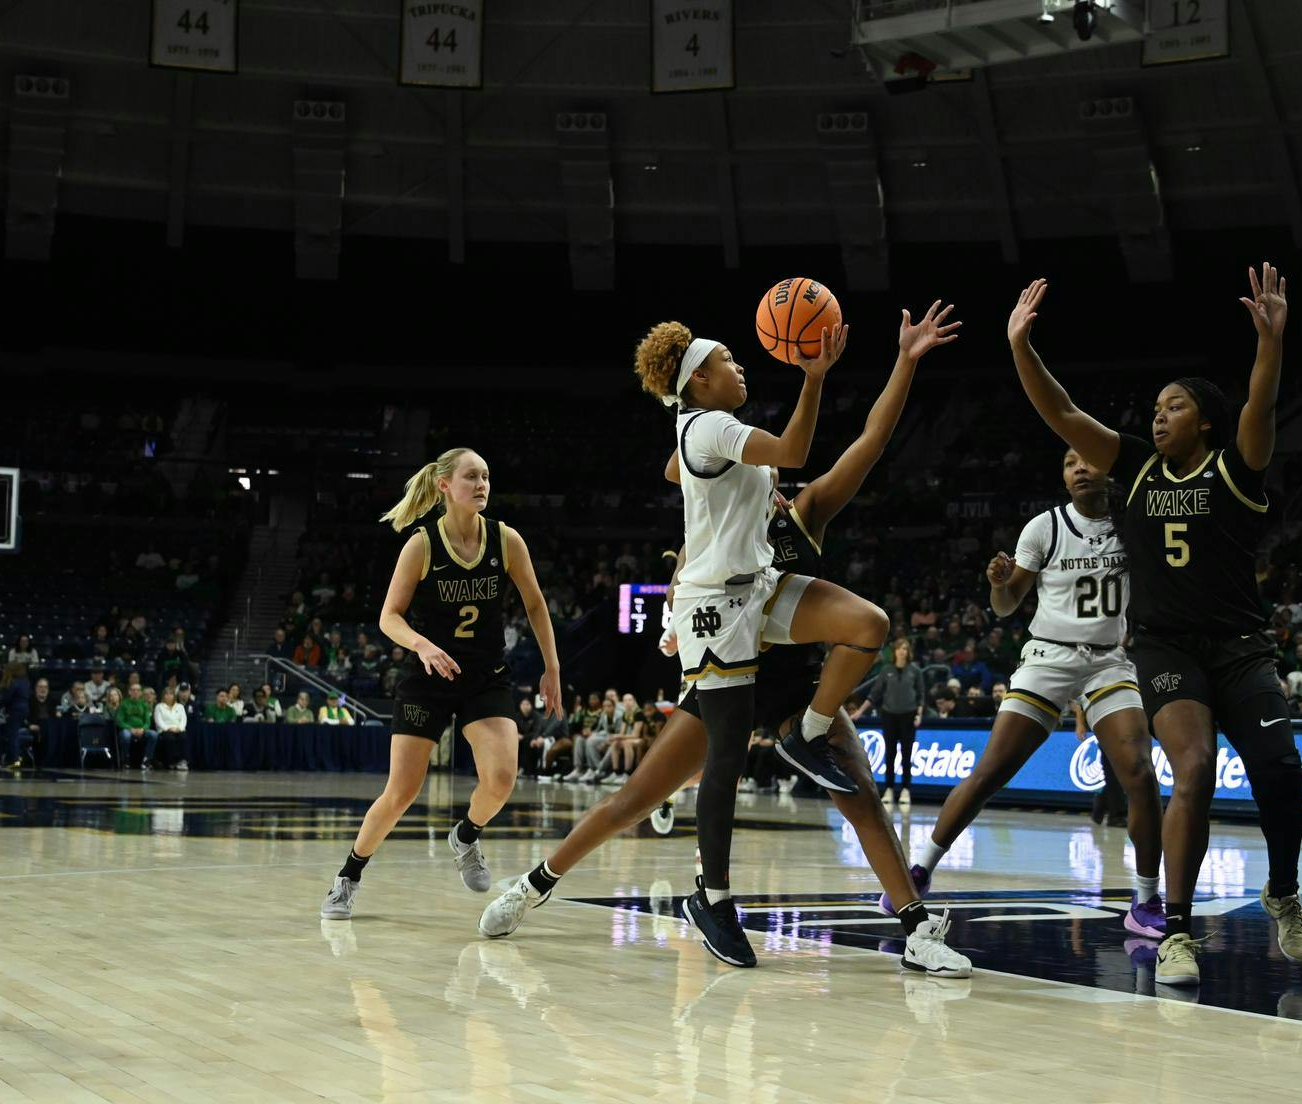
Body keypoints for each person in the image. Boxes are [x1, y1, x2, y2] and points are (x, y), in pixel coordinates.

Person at [480, 300, 969, 979]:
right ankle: (535, 882)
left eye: (766, 482)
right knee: (634, 798)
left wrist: (904, 362)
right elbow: (685, 467)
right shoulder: (718, 502)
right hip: (720, 670)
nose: (764, 486)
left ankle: (915, 925)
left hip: (792, 687)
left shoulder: (801, 517)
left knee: (860, 793)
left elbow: (870, 442)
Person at [1007, 265, 1302, 987]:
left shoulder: (1238, 467)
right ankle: (1177, 930)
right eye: (1154, 407)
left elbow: (1262, 408)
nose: (1158, 416)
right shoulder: (1137, 466)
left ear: (1204, 419)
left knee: (1282, 773)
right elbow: (1063, 413)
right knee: (1195, 767)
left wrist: (1270, 342)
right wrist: (1022, 347)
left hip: (1240, 644)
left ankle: (1284, 891)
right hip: (1166, 645)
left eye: (1173, 407)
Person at [908, 447, 1166, 938]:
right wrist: (999, 585)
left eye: (1088, 460)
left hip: (1108, 659)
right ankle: (919, 870)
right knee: (991, 771)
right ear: (1063, 476)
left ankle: (1147, 898)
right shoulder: (1044, 528)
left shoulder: (1132, 524)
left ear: (1109, 469)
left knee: (1141, 773)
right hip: (1049, 656)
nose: (1080, 468)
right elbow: (1006, 607)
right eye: (1069, 462)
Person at [323, 448, 563, 919]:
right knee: (402, 792)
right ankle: (347, 877)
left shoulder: (506, 540)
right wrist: (422, 645)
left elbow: (536, 605)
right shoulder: (422, 544)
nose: (482, 484)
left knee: (500, 779)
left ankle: (467, 836)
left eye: (486, 476)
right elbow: (388, 617)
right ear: (445, 486)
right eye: (471, 476)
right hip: (429, 678)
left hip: (485, 677)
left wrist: (552, 667)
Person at [854, 640, 924, 805]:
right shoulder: (886, 670)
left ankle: (906, 789)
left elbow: (921, 694)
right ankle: (889, 789)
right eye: (899, 648)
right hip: (889, 715)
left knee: (907, 754)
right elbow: (875, 694)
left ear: (909, 652)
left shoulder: (915, 671)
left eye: (905, 649)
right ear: (894, 652)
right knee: (890, 754)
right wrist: (859, 712)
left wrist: (919, 714)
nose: (902, 652)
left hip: (909, 715)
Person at [117, 684, 154, 767]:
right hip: (128, 730)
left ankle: (146, 759)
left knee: (153, 734)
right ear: (129, 692)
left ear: (141, 693)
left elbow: (147, 722)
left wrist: (143, 729)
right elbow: (119, 721)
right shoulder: (124, 704)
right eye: (133, 690)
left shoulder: (144, 704)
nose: (135, 692)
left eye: (138, 690)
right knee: (125, 735)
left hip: (141, 730)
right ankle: (125, 759)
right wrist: (131, 729)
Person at [152, 685, 189, 770]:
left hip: (178, 729)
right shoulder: (159, 707)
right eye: (166, 694)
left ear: (174, 696)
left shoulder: (180, 707)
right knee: (169, 738)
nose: (169, 696)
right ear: (163, 696)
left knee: (183, 737)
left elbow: (183, 720)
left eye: (171, 694)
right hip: (165, 730)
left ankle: (182, 761)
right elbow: (158, 720)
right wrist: (168, 728)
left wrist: (179, 728)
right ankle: (171, 761)